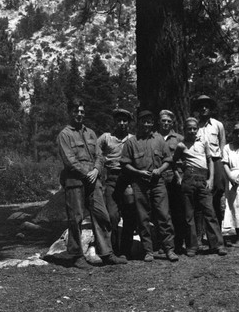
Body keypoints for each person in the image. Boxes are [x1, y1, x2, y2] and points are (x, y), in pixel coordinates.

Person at [57, 99, 128, 268]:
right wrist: (86, 173)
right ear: (70, 113)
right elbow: (69, 160)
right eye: (76, 111)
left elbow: (99, 155)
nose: (79, 114)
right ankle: (76, 256)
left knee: (102, 215)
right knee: (76, 218)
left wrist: (96, 169)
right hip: (75, 181)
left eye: (82, 111)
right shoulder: (64, 135)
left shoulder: (91, 133)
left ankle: (106, 253)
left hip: (93, 181)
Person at [120, 109, 179, 262]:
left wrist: (159, 170)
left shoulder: (159, 139)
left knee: (164, 215)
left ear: (153, 123)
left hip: (158, 182)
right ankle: (148, 251)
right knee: (143, 218)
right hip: (139, 184)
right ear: (138, 123)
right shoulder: (131, 142)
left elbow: (168, 160)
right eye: (144, 121)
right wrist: (138, 172)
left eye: (149, 122)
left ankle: (169, 249)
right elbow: (124, 164)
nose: (147, 124)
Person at [173, 117, 228, 257]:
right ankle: (192, 246)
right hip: (188, 178)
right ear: (184, 130)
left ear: (198, 130)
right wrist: (178, 177)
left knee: (209, 212)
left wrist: (210, 178)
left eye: (194, 128)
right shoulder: (181, 145)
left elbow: (210, 161)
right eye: (189, 129)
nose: (192, 131)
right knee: (189, 215)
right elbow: (174, 162)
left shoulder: (203, 142)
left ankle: (217, 245)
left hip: (203, 178)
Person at [97, 107, 134, 256]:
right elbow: (97, 153)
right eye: (119, 120)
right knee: (112, 215)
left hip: (128, 179)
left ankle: (126, 250)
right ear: (115, 122)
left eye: (125, 120)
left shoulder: (132, 139)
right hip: (111, 179)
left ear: (129, 122)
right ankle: (113, 248)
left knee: (130, 214)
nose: (122, 123)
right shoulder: (106, 138)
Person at [192, 95, 227, 241]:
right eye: (201, 106)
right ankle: (200, 234)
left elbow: (223, 144)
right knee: (199, 197)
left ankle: (216, 234)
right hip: (200, 163)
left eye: (206, 106)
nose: (204, 108)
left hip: (216, 160)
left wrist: (224, 165)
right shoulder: (195, 126)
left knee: (216, 196)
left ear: (211, 108)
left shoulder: (217, 125)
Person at [157, 109, 186, 254]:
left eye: (169, 121)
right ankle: (164, 244)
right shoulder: (154, 137)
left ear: (173, 122)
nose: (166, 123)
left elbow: (186, 158)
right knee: (162, 212)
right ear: (159, 122)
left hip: (176, 177)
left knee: (178, 211)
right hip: (159, 177)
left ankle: (178, 243)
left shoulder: (179, 138)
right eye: (163, 120)